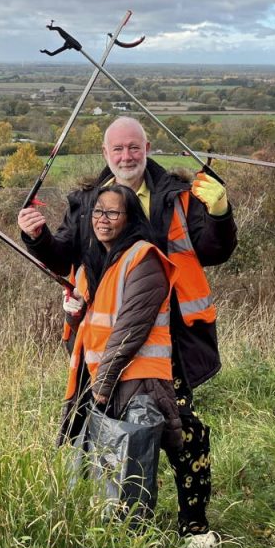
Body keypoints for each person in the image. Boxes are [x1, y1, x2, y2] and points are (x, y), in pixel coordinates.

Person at [18, 116, 237, 548]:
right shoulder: (87, 202)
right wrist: (37, 237)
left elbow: (214, 249)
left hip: (164, 339)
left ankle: (193, 525)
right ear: (105, 154)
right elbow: (66, 258)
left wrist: (220, 212)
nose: (126, 156)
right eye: (117, 149)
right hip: (101, 342)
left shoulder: (177, 195)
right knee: (104, 430)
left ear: (147, 146)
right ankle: (113, 521)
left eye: (133, 147)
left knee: (181, 432)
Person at [61, 185, 182, 516]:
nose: (102, 219)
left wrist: (101, 384)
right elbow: (83, 337)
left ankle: (134, 540)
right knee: (100, 470)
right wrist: (73, 314)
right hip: (99, 383)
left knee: (132, 473)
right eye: (98, 211)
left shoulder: (145, 259)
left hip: (138, 385)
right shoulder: (92, 265)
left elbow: (132, 328)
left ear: (131, 219)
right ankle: (102, 534)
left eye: (113, 213)